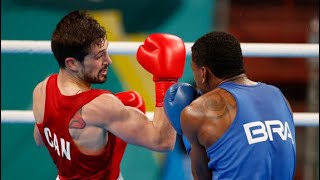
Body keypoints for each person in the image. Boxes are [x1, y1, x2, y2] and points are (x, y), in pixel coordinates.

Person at [32, 10, 186, 180]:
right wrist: (166, 80)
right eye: (99, 56)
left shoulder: (42, 90)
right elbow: (162, 141)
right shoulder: (101, 106)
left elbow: (40, 139)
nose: (108, 61)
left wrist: (97, 140)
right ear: (72, 63)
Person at [164, 31, 296, 179]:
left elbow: (201, 177)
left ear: (203, 73)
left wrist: (186, 134)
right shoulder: (278, 96)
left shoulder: (197, 111)